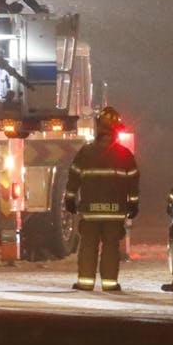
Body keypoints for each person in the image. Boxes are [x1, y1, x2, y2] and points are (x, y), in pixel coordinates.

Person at [64, 106, 139, 292]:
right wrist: (133, 203)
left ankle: (85, 283)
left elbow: (74, 177)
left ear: (99, 128)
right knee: (111, 247)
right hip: (115, 211)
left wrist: (70, 199)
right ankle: (110, 284)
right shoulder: (125, 155)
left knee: (88, 245)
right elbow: (133, 181)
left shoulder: (86, 152)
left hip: (90, 211)